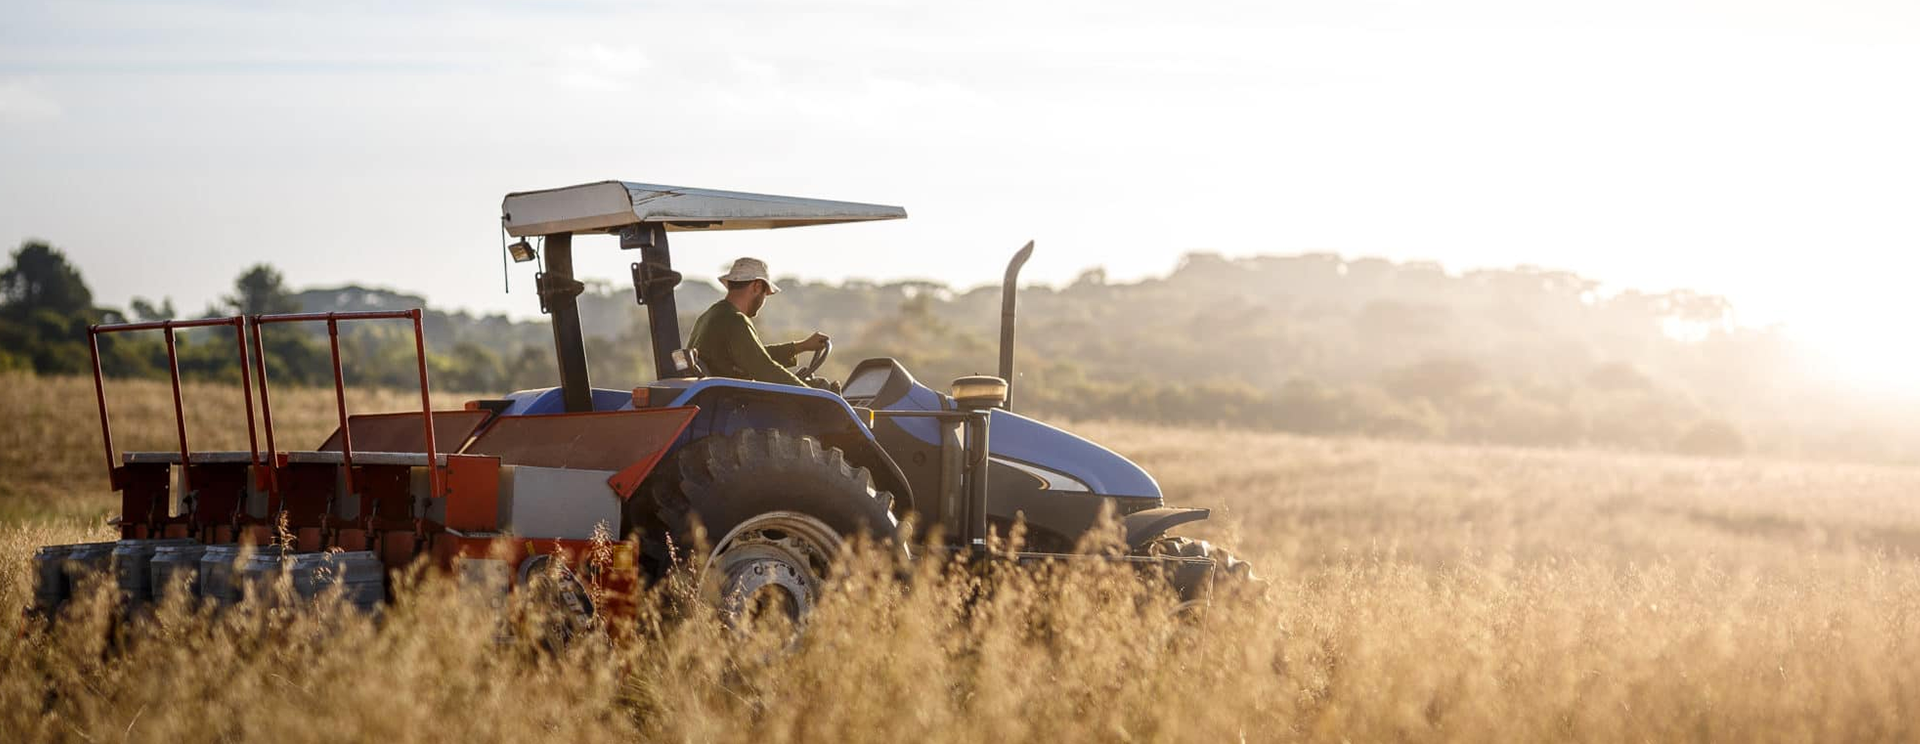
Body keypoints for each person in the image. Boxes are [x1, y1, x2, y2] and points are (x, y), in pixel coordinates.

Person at [687, 257, 830, 387]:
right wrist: (814, 396)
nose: (763, 301)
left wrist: (801, 346)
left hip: (715, 398)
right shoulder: (735, 320)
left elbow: (754, 355)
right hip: (731, 404)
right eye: (765, 294)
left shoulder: (710, 316)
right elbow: (764, 369)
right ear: (757, 286)